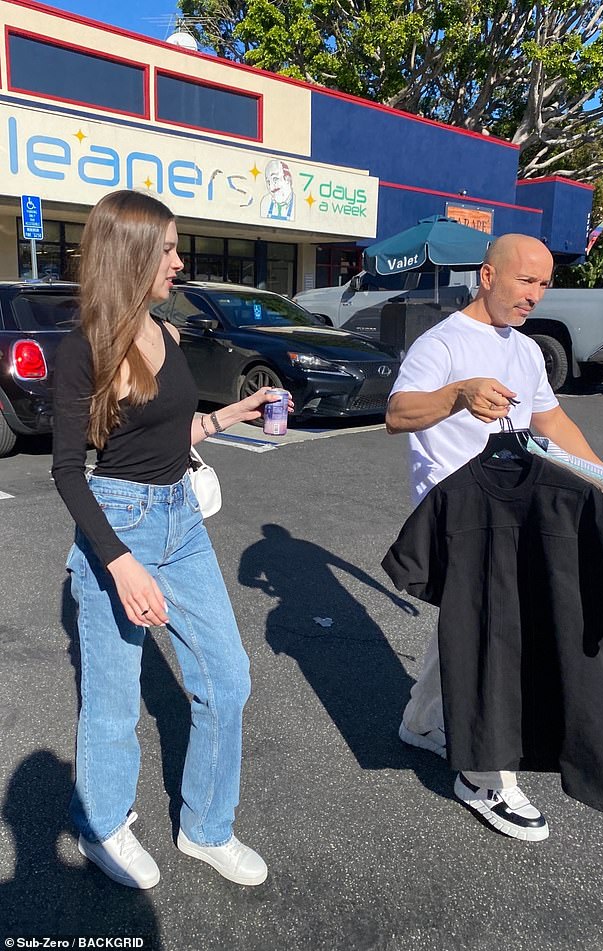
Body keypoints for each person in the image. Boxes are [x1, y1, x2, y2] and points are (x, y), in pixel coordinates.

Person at [52, 189, 291, 889]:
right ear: (130, 255)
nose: (179, 262)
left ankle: (208, 827)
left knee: (229, 675)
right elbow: (69, 472)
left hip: (181, 519)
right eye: (168, 249)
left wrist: (237, 413)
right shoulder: (84, 350)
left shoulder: (169, 333)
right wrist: (119, 563)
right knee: (114, 698)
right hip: (115, 525)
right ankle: (102, 827)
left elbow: (169, 437)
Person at [385, 233, 603, 841]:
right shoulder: (443, 342)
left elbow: (550, 419)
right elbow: (397, 413)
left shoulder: (527, 350)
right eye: (524, 281)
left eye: (542, 283)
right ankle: (483, 778)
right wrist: (457, 395)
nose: (534, 294)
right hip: (456, 514)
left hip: (509, 508)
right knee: (497, 633)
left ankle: (422, 723)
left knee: (468, 625)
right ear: (487, 276)